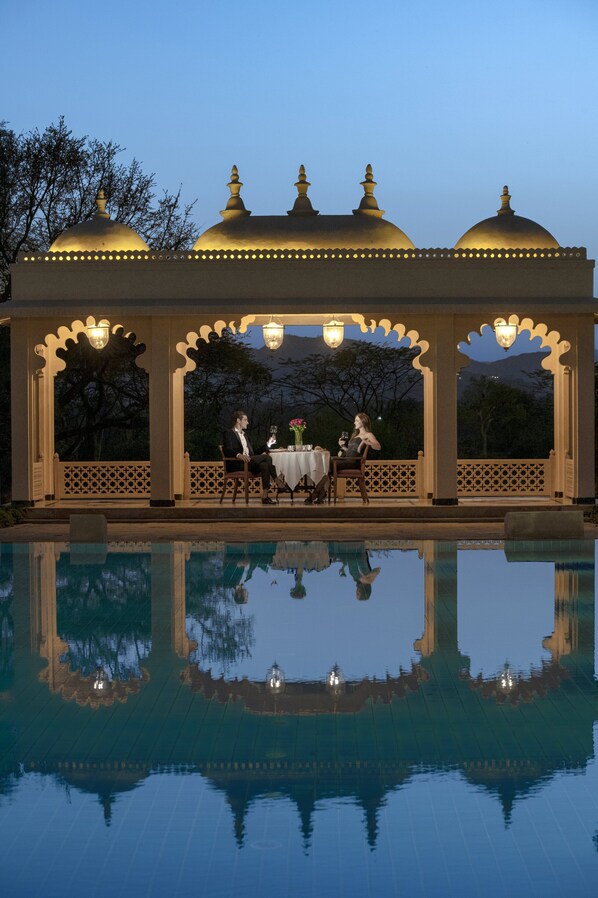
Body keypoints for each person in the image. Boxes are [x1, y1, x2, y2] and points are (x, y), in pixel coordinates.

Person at [305, 412, 381, 504]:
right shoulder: (355, 435)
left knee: (327, 464)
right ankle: (319, 494)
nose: (354, 422)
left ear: (363, 421)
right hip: (347, 460)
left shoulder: (368, 434)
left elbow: (378, 446)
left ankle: (317, 494)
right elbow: (350, 452)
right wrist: (343, 447)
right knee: (326, 463)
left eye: (356, 420)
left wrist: (366, 442)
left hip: (353, 463)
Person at [223, 410, 283, 504]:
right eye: (245, 420)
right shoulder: (229, 433)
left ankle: (265, 496)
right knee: (267, 458)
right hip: (237, 464)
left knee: (264, 465)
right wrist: (238, 455)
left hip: (250, 462)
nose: (248, 422)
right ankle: (277, 481)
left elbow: (254, 453)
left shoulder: (246, 436)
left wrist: (268, 444)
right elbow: (227, 449)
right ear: (238, 421)